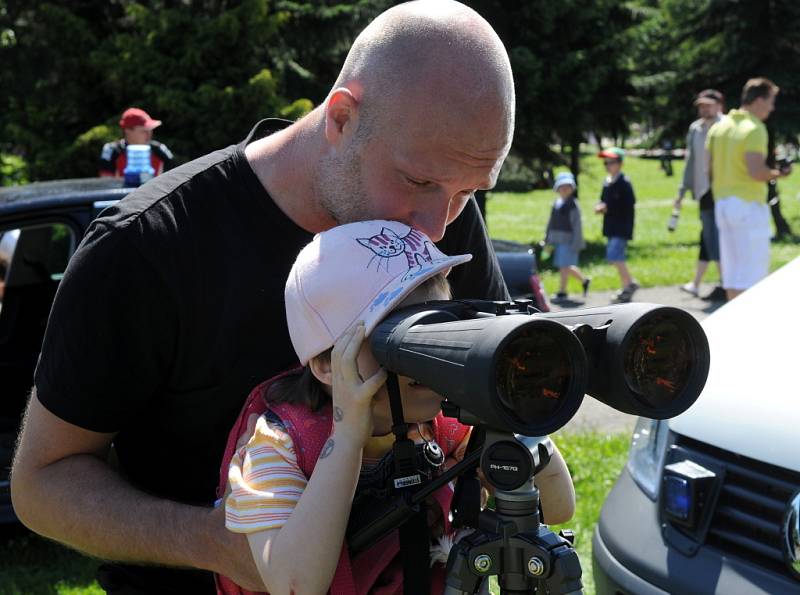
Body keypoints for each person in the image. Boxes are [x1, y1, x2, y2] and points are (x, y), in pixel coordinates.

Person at [10, 1, 515, 593]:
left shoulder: (444, 214)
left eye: (468, 191)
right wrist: (223, 545)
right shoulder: (148, 247)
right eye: (419, 181)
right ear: (342, 117)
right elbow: (42, 483)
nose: (436, 226)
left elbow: (500, 399)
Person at [220, 220, 576, 594]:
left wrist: (507, 410)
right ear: (326, 364)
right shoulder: (278, 445)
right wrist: (346, 440)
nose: (429, 353)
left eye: (441, 325)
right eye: (400, 334)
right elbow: (295, 585)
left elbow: (557, 506)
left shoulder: (444, 426)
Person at [706, 77, 792, 301]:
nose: (772, 108)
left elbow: (709, 170)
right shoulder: (754, 128)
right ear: (760, 100)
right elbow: (756, 172)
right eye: (771, 101)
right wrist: (778, 173)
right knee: (754, 274)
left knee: (733, 273)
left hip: (723, 203)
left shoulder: (719, 127)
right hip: (747, 205)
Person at [674, 89, 726, 302]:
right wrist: (681, 191)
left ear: (719, 105)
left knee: (715, 237)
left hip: (724, 190)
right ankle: (697, 284)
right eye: (701, 105)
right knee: (708, 236)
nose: (703, 109)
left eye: (708, 105)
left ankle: (725, 285)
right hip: (705, 191)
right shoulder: (695, 129)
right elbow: (690, 162)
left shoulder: (726, 126)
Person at [594, 148, 639, 303]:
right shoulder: (607, 183)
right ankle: (627, 285)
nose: (607, 165)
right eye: (605, 163)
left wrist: (608, 207)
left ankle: (630, 284)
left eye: (611, 162)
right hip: (611, 227)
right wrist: (600, 206)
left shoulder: (624, 183)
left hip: (622, 226)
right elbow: (603, 200)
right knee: (615, 257)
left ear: (620, 164)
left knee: (614, 255)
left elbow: (629, 204)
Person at [545, 171, 590, 301]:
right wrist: (547, 237)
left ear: (572, 188)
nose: (564, 189)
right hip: (556, 240)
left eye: (568, 186)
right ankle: (584, 280)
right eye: (562, 187)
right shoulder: (556, 204)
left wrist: (577, 243)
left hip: (569, 241)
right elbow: (551, 222)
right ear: (557, 189)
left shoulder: (573, 205)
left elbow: (577, 226)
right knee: (565, 265)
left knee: (564, 266)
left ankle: (562, 291)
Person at [98, 107, 174, 178]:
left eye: (150, 130)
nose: (149, 134)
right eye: (144, 131)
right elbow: (105, 182)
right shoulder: (112, 150)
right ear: (127, 131)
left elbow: (173, 180)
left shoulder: (159, 149)